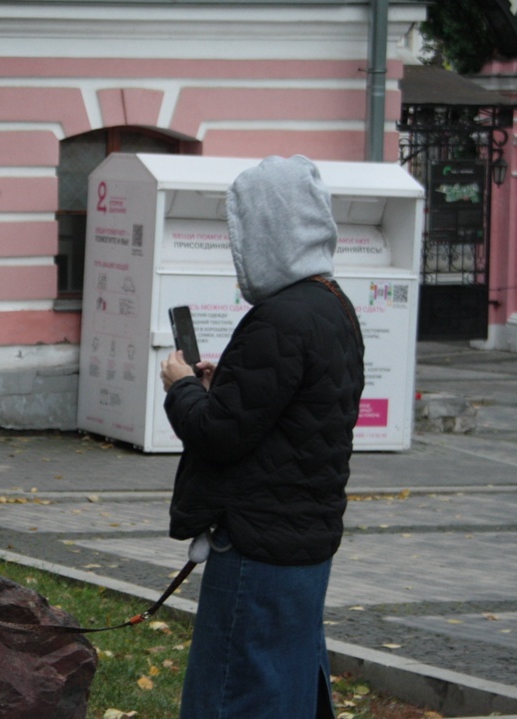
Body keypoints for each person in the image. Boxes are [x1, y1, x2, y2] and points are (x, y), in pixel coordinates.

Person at [159, 155, 365, 719]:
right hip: (302, 539)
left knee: (238, 696)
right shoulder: (332, 305)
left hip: (259, 547)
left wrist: (182, 387)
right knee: (288, 688)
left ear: (265, 230)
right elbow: (287, 412)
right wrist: (222, 384)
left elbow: (218, 434)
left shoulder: (279, 317)